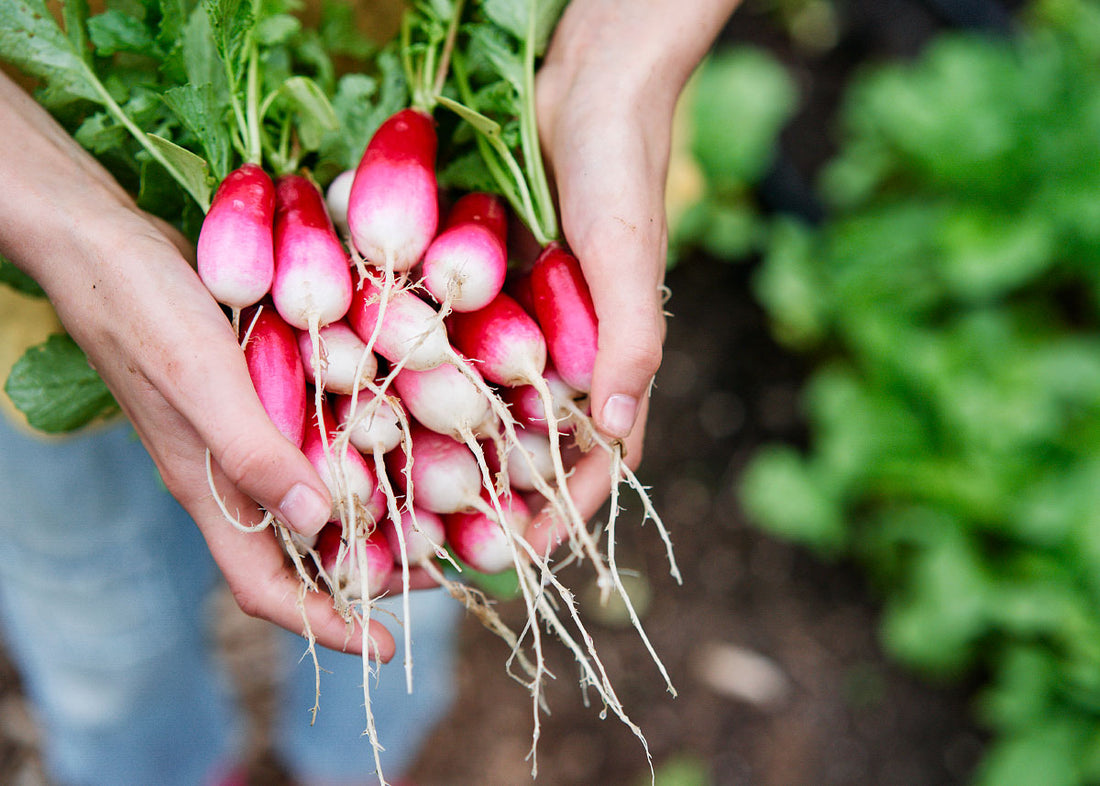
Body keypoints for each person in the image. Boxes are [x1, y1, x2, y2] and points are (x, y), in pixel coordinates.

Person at [0, 0, 740, 783]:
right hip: (40, 191)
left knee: (386, 586)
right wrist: (60, 218)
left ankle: (345, 766)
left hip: (526, 104)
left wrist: (622, 53)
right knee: (100, 610)